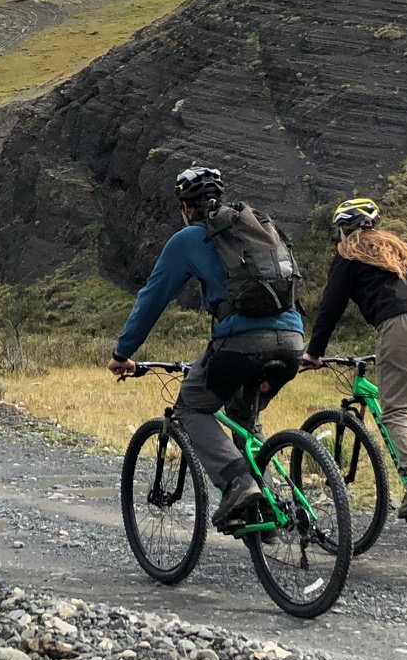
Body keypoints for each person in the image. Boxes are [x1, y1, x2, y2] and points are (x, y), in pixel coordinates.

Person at [108, 165, 305, 528]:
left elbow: (152, 298)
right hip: (292, 340)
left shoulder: (188, 239)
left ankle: (238, 482)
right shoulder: (260, 230)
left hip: (241, 344)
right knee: (245, 418)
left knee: (191, 408)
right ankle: (268, 510)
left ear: (186, 208)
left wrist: (123, 353)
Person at [301, 198, 407, 519]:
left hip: (403, 320)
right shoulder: (396, 248)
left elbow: (331, 307)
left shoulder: (348, 252)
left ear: (345, 229)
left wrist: (314, 352)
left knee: (395, 411)